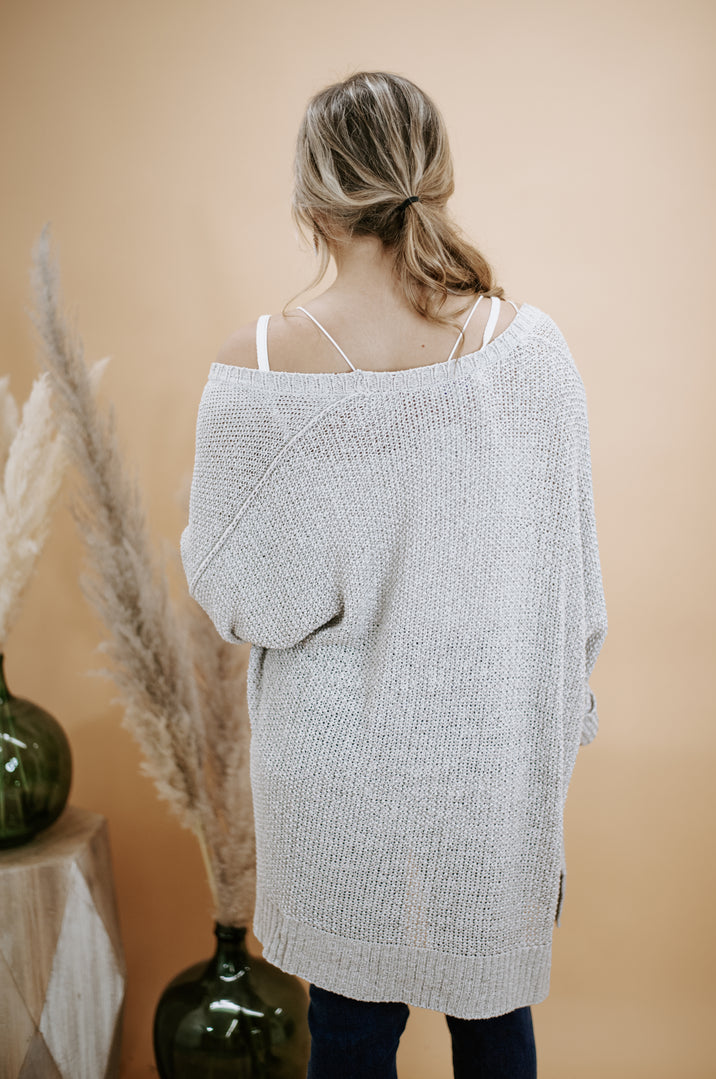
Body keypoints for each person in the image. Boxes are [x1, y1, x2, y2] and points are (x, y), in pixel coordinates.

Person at [181, 70, 608, 1079]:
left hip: (334, 778)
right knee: (495, 1023)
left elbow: (245, 599)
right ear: (435, 175)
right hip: (492, 759)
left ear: (313, 197)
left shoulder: (259, 367)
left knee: (349, 1030)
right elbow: (571, 588)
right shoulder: (530, 353)